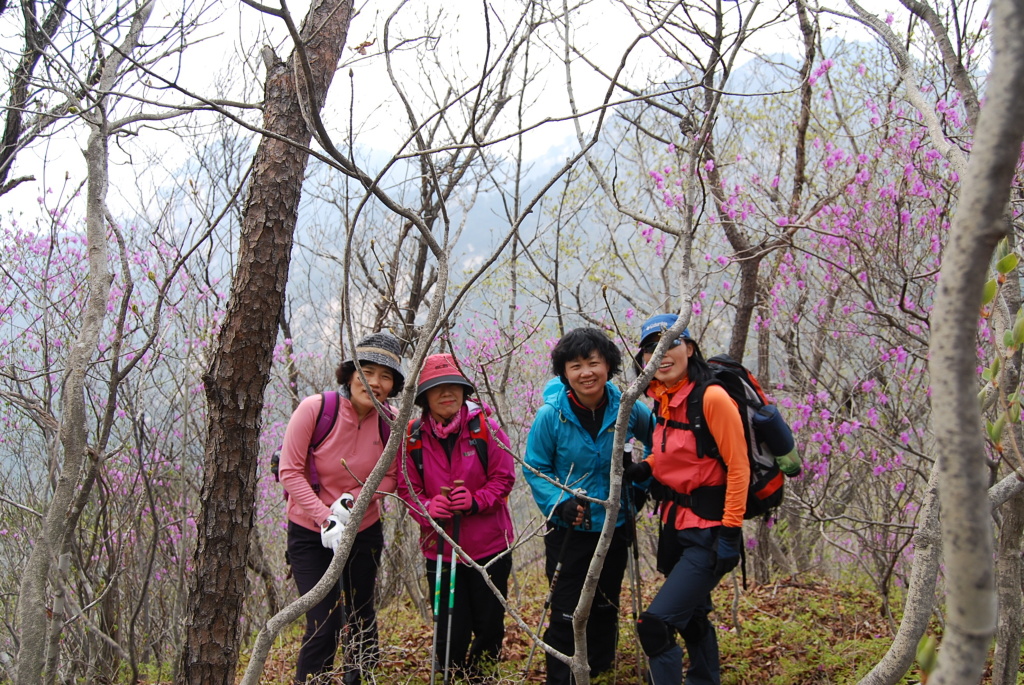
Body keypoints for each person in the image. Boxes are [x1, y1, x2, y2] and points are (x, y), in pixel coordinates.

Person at [623, 313, 750, 685]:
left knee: (655, 626)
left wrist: (730, 533)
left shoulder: (711, 398)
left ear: (689, 348)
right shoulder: (662, 398)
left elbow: (738, 468)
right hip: (677, 525)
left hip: (711, 531)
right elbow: (676, 452)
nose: (661, 354)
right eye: (651, 348)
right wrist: (646, 467)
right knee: (693, 617)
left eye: (670, 343)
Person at [524, 327, 655, 685]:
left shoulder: (627, 407)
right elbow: (535, 467)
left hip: (615, 523)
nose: (586, 373)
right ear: (564, 372)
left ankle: (599, 670)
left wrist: (642, 481)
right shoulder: (551, 414)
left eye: (593, 363)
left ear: (608, 365)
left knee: (605, 603)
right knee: (566, 609)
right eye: (575, 365)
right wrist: (560, 503)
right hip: (569, 529)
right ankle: (561, 676)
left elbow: (662, 441)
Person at [278, 331, 405, 685]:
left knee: (362, 615)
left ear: (393, 384)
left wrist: (357, 501)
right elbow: (289, 471)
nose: (375, 382)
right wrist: (326, 519)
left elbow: (392, 477)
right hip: (309, 532)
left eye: (386, 376)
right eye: (366, 371)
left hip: (364, 531)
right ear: (350, 375)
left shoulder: (392, 422)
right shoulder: (316, 410)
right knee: (325, 623)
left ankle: (358, 678)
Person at [397, 353, 515, 680]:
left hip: (490, 549)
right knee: (450, 627)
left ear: (464, 390)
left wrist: (476, 501)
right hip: (441, 552)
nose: (447, 393)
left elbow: (504, 478)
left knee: (490, 624)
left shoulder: (486, 429)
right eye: (437, 388)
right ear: (424, 398)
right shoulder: (412, 438)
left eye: (453, 386)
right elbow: (406, 489)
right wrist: (427, 508)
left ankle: (481, 675)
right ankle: (451, 671)